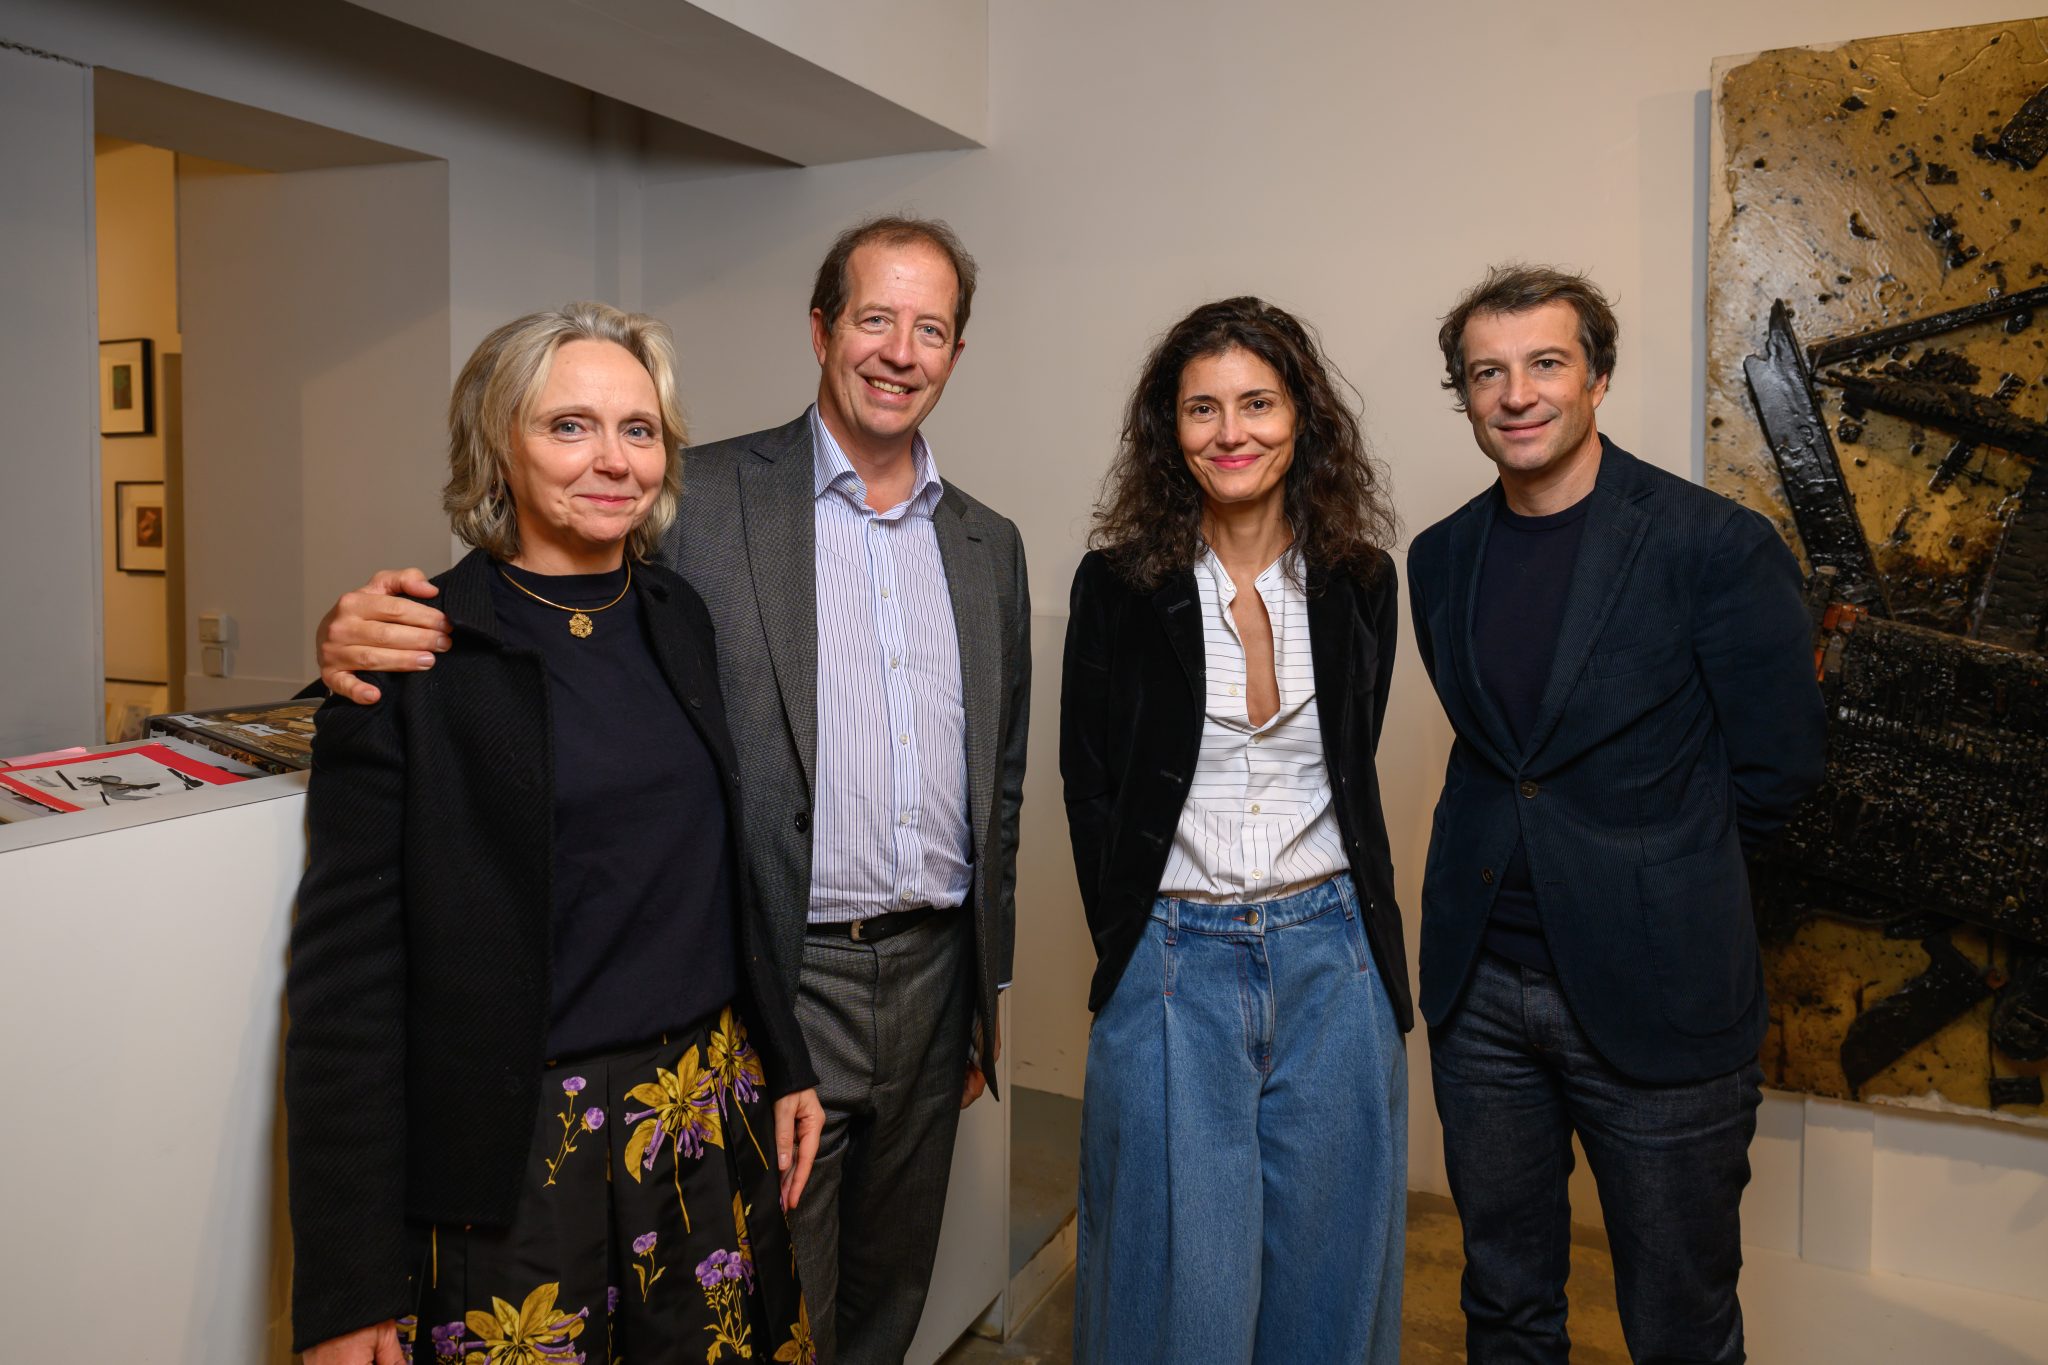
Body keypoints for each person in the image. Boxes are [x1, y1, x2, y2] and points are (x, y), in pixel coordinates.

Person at [312, 217, 1029, 1365]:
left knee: (873, 1303)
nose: (614, 458)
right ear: (820, 329)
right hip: (756, 1000)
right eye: (873, 318)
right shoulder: (704, 509)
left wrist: (983, 1000)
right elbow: (355, 971)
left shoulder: (981, 546)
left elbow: (998, 792)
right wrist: (345, 639)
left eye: (929, 327)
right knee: (806, 1288)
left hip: (868, 1013)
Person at [287, 302, 825, 1365]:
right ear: (499, 443)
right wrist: (346, 1290)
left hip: (705, 1120)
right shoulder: (412, 656)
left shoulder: (679, 618)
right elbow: (344, 997)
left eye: (638, 429)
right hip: (514, 1155)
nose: (612, 459)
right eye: (568, 426)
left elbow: (717, 879)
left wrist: (786, 1061)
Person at [1408, 265, 1827, 1362]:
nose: (1516, 394)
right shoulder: (1438, 556)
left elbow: (1776, 770)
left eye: (1544, 363)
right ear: (1463, 395)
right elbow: (1500, 757)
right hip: (1481, 996)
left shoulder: (1711, 545)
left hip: (1661, 996)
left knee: (1677, 1322)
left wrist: (1660, 882)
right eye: (1485, 373)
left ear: (1595, 376)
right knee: (1503, 1303)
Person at [1061, 297, 1411, 1364]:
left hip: (1335, 961)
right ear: (1168, 432)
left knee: (1331, 1281)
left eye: (1256, 403)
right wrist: (1130, 946)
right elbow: (1088, 785)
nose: (1230, 433)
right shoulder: (1119, 586)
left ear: (1301, 417)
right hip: (1174, 961)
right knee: (1177, 1299)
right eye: (1200, 409)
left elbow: (1349, 768)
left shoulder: (1360, 582)